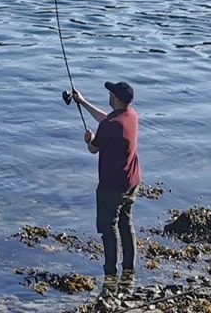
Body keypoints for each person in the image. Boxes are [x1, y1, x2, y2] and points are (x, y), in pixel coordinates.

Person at [69, 80, 141, 280]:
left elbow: (93, 149)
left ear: (116, 99)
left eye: (111, 94)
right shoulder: (131, 116)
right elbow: (106, 118)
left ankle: (111, 272)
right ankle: (129, 268)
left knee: (108, 228)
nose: (109, 95)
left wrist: (89, 140)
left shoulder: (110, 126)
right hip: (132, 182)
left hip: (112, 187)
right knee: (126, 223)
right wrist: (82, 102)